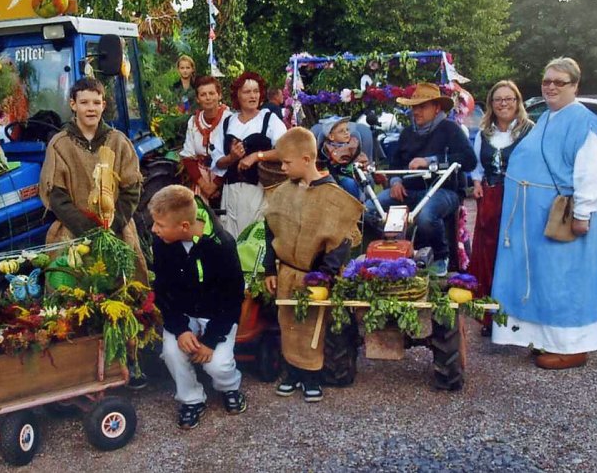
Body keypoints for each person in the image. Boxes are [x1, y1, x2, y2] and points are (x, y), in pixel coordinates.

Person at [492, 58, 597, 370]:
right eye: (547, 81)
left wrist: (583, 214)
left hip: (563, 219)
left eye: (560, 82)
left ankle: (574, 347)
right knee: (543, 280)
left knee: (564, 280)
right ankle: (546, 339)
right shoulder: (548, 117)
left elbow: (590, 172)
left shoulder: (583, 122)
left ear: (575, 86)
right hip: (535, 220)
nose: (551, 87)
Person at [39, 77, 149, 384]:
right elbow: (56, 194)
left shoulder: (118, 141)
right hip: (74, 232)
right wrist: (86, 227)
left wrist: (112, 225)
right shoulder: (60, 144)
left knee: (122, 292)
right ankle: (74, 365)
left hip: (115, 230)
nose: (91, 108)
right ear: (73, 105)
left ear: (104, 105)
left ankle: (130, 362)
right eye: (84, 102)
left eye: (96, 102)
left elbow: (131, 188)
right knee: (70, 293)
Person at [263, 127, 363, 403]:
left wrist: (325, 275)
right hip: (287, 272)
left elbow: (342, 239)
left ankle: (312, 376)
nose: (282, 168)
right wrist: (270, 268)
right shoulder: (284, 192)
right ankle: (293, 372)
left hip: (316, 276)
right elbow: (271, 229)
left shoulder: (333, 196)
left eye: (287, 163)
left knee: (312, 326)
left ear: (307, 159)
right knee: (289, 325)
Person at [149, 185, 246, 429]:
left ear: (183, 226)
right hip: (184, 314)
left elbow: (233, 298)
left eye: (159, 225)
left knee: (217, 364)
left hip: (217, 316)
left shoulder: (222, 245)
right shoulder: (162, 242)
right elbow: (162, 289)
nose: (154, 229)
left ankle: (229, 386)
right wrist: (180, 328)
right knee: (172, 352)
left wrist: (211, 340)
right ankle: (191, 398)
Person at [366, 83, 478, 276]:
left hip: (444, 191)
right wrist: (395, 182)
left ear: (437, 108)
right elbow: (395, 164)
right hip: (408, 191)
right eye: (414, 107)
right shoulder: (407, 133)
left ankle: (441, 257)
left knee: (426, 216)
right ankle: (388, 253)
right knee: (368, 209)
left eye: (422, 106)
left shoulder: (451, 130)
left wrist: (430, 161)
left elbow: (469, 160)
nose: (416, 111)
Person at [469, 80, 533, 336]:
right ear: (491, 104)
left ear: (517, 102)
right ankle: (491, 317)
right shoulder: (484, 132)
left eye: (509, 99)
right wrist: (476, 183)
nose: (503, 104)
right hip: (491, 198)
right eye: (498, 100)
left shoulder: (530, 131)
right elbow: (476, 166)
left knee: (517, 255)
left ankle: (520, 317)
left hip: (519, 198)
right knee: (489, 256)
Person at [210, 72, 287, 237]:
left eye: (256, 91)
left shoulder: (269, 120)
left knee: (253, 238)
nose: (253, 96)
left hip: (258, 192)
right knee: (230, 238)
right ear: (238, 95)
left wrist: (257, 156)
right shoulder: (227, 122)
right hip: (231, 192)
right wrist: (231, 158)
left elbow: (286, 151)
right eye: (247, 92)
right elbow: (217, 162)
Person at [179, 76, 232, 205]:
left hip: (226, 179)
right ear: (197, 99)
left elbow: (233, 156)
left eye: (212, 93)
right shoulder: (193, 122)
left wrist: (215, 185)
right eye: (203, 94)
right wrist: (205, 186)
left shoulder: (231, 120)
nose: (208, 98)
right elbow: (188, 157)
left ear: (219, 95)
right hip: (200, 180)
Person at [319, 117, 369, 200]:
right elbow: (337, 158)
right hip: (337, 176)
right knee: (349, 183)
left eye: (347, 130)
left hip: (356, 173)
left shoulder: (353, 145)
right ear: (331, 136)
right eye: (341, 131)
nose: (346, 133)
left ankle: (366, 203)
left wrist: (364, 165)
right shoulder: (328, 148)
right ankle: (354, 205)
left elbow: (361, 158)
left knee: (368, 179)